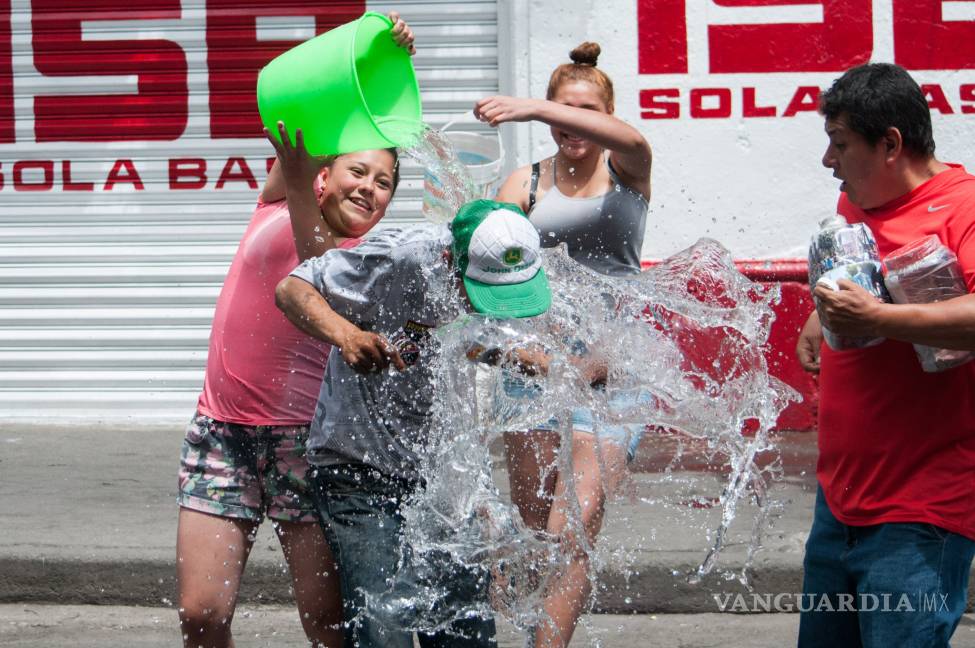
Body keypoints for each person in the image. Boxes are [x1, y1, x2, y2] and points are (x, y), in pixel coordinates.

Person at [175, 15, 414, 648]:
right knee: (201, 615)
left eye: (385, 182)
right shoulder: (278, 196)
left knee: (327, 627)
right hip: (221, 431)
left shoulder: (365, 253)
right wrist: (376, 52)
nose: (369, 186)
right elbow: (301, 95)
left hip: (304, 444)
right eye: (359, 171)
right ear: (327, 173)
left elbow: (315, 263)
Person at [274, 198, 552, 648]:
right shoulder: (396, 257)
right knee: (386, 633)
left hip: (444, 475)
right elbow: (291, 289)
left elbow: (454, 334)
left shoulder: (498, 260)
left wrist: (510, 356)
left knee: (465, 633)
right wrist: (347, 335)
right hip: (360, 468)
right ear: (451, 259)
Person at [473, 41, 652, 648]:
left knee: (571, 528)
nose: (571, 123)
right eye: (561, 110)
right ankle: (527, 619)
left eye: (584, 110)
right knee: (536, 534)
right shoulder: (523, 184)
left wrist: (533, 107)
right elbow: (492, 280)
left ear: (602, 114)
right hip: (532, 372)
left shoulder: (629, 171)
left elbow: (628, 138)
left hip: (613, 375)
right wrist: (527, 355)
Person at [795, 62, 975, 647]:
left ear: (890, 144)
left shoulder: (963, 207)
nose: (829, 160)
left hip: (920, 511)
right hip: (840, 503)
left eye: (840, 144)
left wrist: (881, 320)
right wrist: (817, 318)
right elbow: (861, 281)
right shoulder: (859, 201)